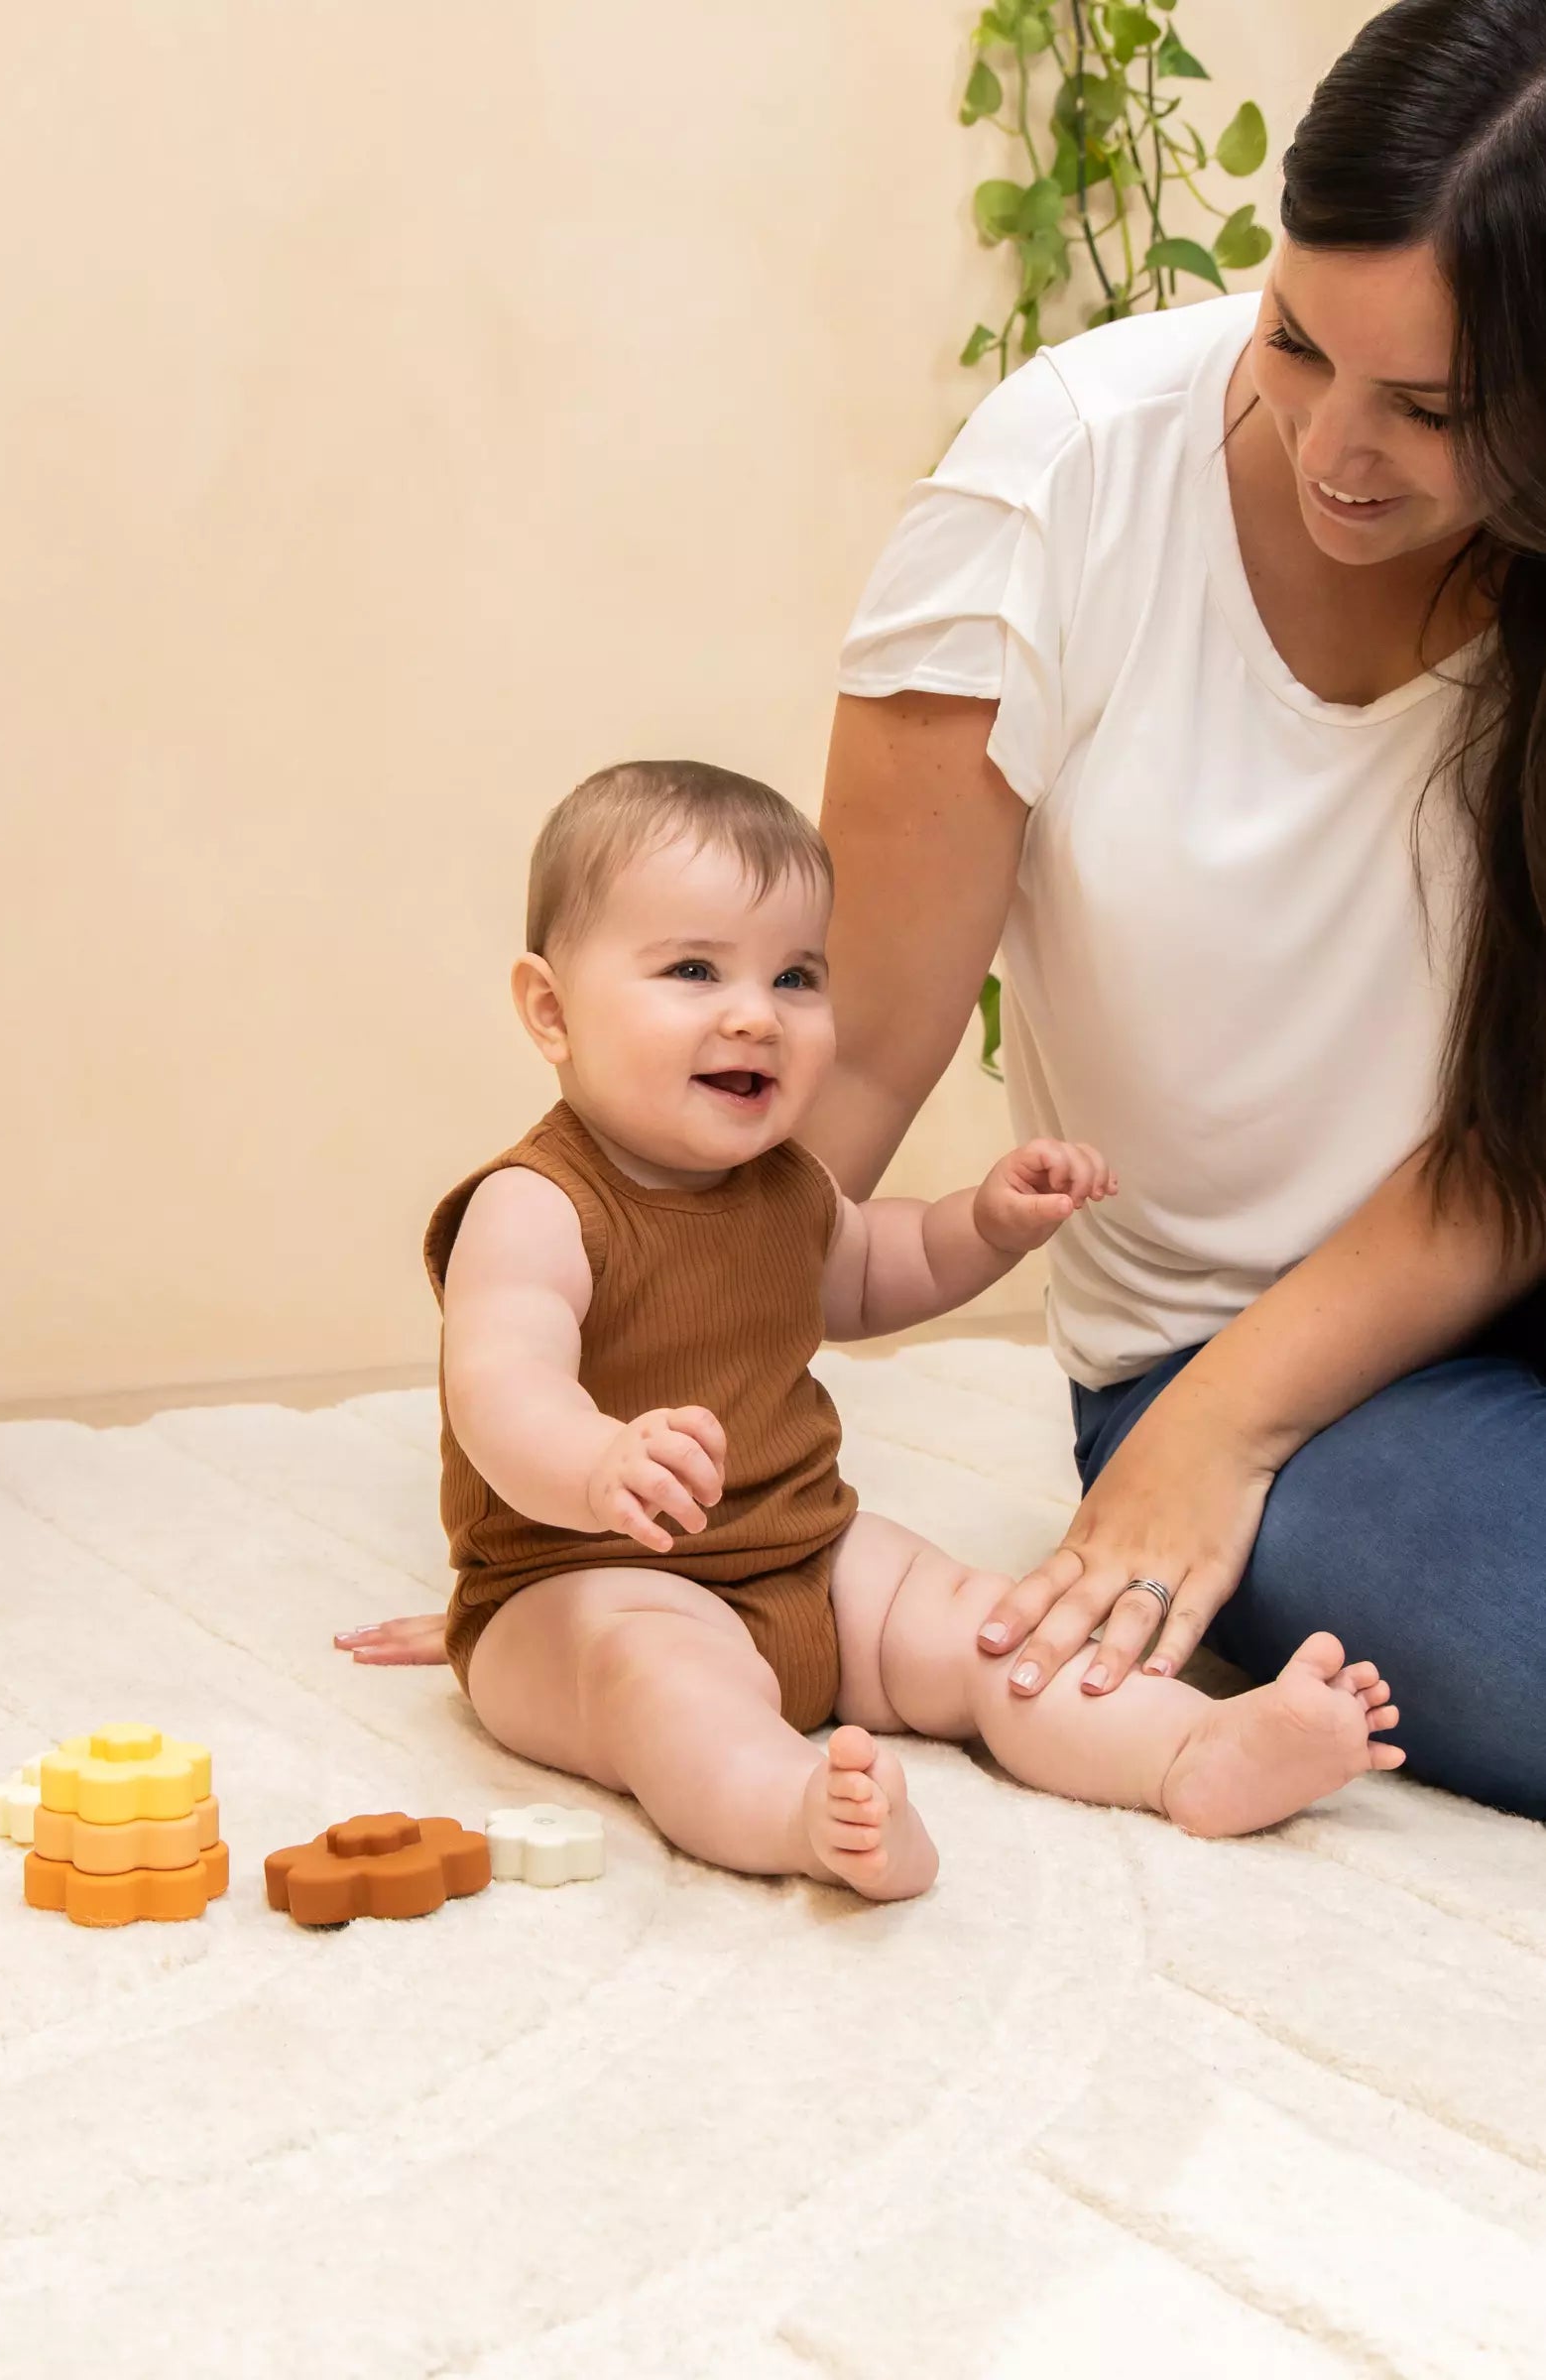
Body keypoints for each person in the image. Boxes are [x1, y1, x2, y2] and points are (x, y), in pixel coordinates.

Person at [807, 0, 1546, 1818]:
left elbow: (1515, 1144)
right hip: (1231, 1355)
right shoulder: (1055, 491)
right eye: (1295, 341)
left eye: (1430, 411)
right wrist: (592, 1487)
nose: (1329, 449)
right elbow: (833, 1078)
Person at [337, 762, 1400, 1901]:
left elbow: (870, 1271)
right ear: (551, 1010)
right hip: (584, 1581)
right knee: (663, 1686)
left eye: (795, 976)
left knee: (979, 1622)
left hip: (804, 1555)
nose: (756, 1012)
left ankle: (1190, 1751)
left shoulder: (783, 1184)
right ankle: (794, 1814)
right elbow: (503, 1388)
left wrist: (986, 1225)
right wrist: (598, 1463)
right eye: (694, 969)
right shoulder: (534, 1205)